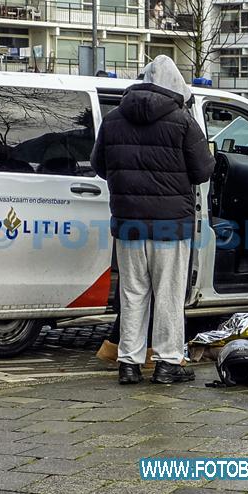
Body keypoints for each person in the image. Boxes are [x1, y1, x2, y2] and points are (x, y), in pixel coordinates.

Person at [91, 55, 215, 385]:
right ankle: (167, 363)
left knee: (132, 294)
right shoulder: (183, 121)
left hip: (129, 224)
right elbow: (204, 170)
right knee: (169, 294)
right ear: (176, 87)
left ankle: (129, 364)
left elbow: (99, 165)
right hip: (171, 225)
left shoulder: (114, 118)